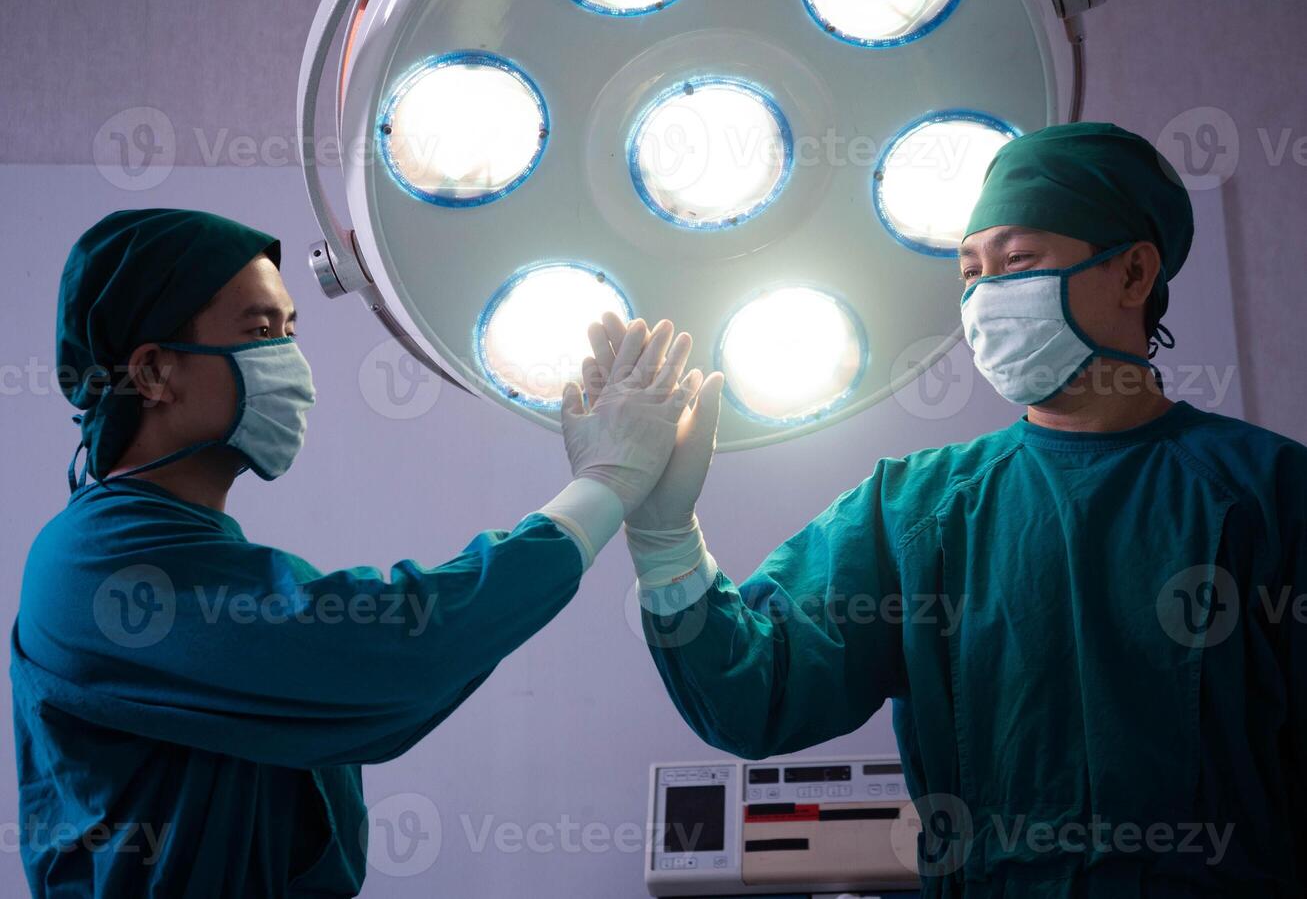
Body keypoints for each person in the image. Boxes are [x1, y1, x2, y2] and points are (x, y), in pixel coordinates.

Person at [598, 123, 1306, 896]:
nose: (985, 296)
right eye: (970, 272)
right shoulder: (916, 510)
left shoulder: (1266, 492)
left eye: (1018, 261)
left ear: (1133, 273)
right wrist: (664, 537)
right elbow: (757, 697)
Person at [12, 208, 708, 896]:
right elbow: (387, 650)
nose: (289, 360)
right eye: (258, 331)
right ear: (155, 374)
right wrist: (600, 491)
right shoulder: (100, 566)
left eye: (290, 329)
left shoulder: (187, 550)